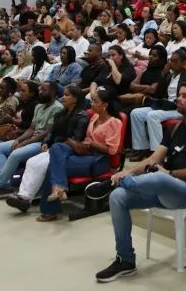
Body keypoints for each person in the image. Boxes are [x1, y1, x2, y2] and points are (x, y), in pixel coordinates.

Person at [88, 81, 186, 283]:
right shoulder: (175, 129)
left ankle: (113, 183)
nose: (179, 98)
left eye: (185, 96)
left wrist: (170, 174)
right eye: (179, 94)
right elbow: (152, 160)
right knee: (118, 197)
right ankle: (125, 260)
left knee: (159, 176)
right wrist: (128, 172)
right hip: (162, 190)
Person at [35, 87, 123, 221]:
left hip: (99, 160)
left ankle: (54, 198)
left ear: (105, 105)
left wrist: (92, 143)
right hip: (85, 153)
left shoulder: (115, 123)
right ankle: (59, 190)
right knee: (57, 147)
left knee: (54, 166)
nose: (91, 104)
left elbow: (112, 150)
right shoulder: (94, 118)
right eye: (91, 101)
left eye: (95, 101)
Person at [4, 85, 91, 215]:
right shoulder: (60, 113)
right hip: (55, 147)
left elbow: (77, 138)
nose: (63, 97)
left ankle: (29, 197)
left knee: (42, 165)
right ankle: (24, 198)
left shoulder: (81, 116)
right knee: (32, 162)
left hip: (68, 149)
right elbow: (51, 132)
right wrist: (46, 142)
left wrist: (59, 141)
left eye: (67, 95)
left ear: (75, 98)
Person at [0, 81, 62, 200]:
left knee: (15, 154)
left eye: (44, 90)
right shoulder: (39, 106)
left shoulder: (57, 108)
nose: (40, 92)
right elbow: (32, 129)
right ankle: (5, 186)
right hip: (31, 138)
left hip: (42, 143)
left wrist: (25, 142)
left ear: (52, 91)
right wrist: (20, 139)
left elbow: (47, 132)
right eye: (40, 90)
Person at [128, 48, 186, 161]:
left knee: (153, 115)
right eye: (171, 61)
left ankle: (158, 153)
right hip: (166, 106)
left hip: (179, 108)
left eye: (176, 61)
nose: (172, 63)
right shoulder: (170, 75)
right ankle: (141, 148)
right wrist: (163, 74)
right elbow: (158, 92)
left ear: (183, 62)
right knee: (136, 113)